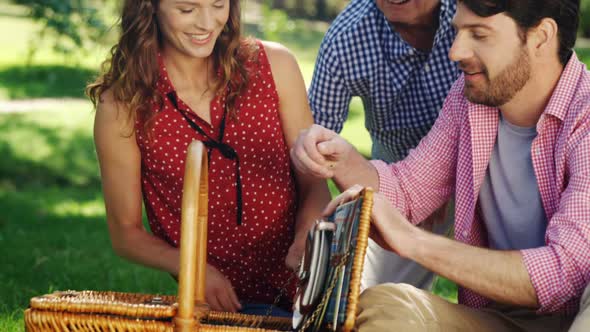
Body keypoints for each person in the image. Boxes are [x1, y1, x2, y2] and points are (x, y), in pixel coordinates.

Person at [291, 0, 590, 330]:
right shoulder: (467, 100)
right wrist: (341, 158)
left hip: (577, 314)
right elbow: (408, 191)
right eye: (457, 32)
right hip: (506, 317)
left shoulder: (585, 115)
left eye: (479, 34)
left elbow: (565, 273)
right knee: (387, 306)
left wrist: (415, 242)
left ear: (541, 36)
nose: (455, 51)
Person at [87, 0, 330, 316]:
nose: (206, 23)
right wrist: (194, 269)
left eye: (218, 5)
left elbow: (314, 180)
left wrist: (307, 238)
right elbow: (125, 232)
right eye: (187, 10)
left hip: (312, 288)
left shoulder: (276, 65)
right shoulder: (122, 105)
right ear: (150, 8)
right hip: (223, 306)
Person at [308, 0, 460, 291]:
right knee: (373, 295)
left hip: (484, 162)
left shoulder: (477, 12)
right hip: (396, 181)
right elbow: (314, 138)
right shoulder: (348, 36)